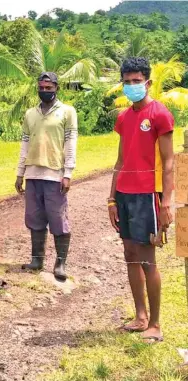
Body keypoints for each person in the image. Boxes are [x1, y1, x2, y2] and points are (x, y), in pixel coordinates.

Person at [108, 57, 174, 343]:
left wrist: (167, 203)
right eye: (128, 81)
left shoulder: (160, 114)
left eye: (137, 81)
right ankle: (140, 316)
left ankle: (156, 324)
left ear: (147, 82)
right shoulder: (123, 117)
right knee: (130, 256)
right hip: (124, 193)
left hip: (148, 194)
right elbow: (121, 159)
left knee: (148, 257)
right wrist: (111, 198)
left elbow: (169, 162)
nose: (132, 86)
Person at [15, 72, 78, 281]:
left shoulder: (67, 112)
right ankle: (37, 259)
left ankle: (60, 263)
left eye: (48, 88)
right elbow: (24, 144)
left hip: (55, 174)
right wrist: (20, 173)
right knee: (34, 218)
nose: (44, 91)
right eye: (41, 88)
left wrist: (68, 173)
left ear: (56, 88)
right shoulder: (30, 114)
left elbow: (70, 144)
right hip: (33, 173)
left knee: (58, 218)